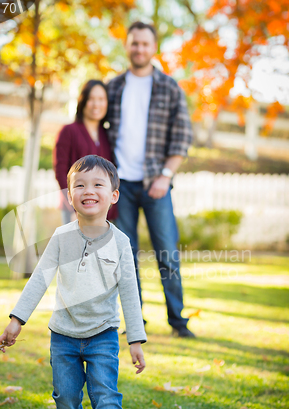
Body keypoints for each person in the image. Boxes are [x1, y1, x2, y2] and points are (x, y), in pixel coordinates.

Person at [0, 155, 146, 409]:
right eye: (80, 184)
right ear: (69, 195)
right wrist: (16, 320)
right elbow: (39, 280)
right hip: (62, 335)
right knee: (66, 395)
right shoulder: (62, 237)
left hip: (103, 333)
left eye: (97, 184)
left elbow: (130, 293)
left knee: (105, 394)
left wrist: (135, 339)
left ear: (114, 195)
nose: (88, 190)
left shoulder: (120, 242)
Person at [107, 21, 195, 338]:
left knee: (167, 253)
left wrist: (165, 175)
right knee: (125, 258)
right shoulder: (113, 87)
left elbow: (182, 137)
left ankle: (177, 321)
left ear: (154, 47)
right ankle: (135, 321)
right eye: (134, 43)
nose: (139, 49)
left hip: (156, 184)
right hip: (120, 186)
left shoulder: (169, 87)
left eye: (145, 44)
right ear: (127, 46)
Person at [54, 80, 117, 224]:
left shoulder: (107, 134)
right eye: (91, 99)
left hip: (104, 211)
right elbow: (61, 171)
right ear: (83, 101)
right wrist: (73, 206)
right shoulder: (68, 131)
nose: (96, 104)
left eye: (101, 99)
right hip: (75, 208)